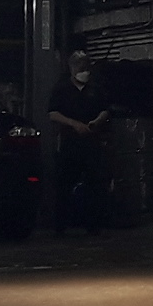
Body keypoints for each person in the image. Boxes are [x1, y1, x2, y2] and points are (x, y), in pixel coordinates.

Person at [47, 51, 111, 233]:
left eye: (86, 67)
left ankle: (93, 226)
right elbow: (53, 113)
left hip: (91, 142)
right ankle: (60, 226)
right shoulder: (61, 89)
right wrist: (73, 124)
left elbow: (105, 110)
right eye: (80, 68)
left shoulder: (96, 88)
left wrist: (96, 122)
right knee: (64, 184)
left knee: (94, 184)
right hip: (70, 143)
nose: (84, 72)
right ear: (72, 68)